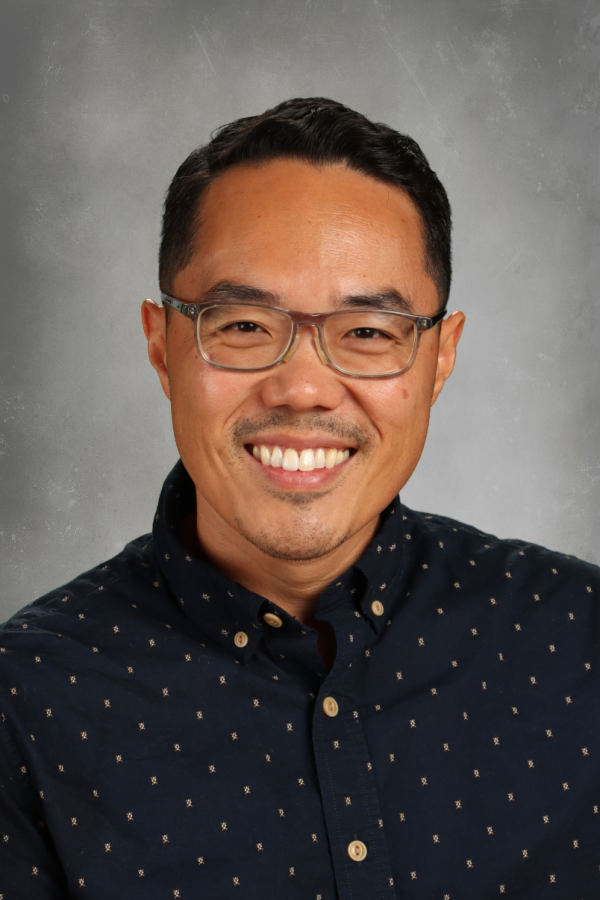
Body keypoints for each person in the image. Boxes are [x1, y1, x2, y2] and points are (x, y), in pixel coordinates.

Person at [0, 97, 598, 900]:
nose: (305, 387)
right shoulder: (24, 703)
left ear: (440, 358)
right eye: (243, 325)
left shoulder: (580, 638)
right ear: (161, 344)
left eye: (368, 332)